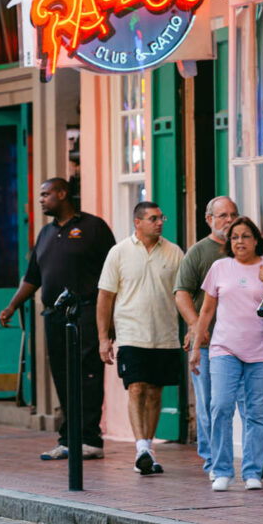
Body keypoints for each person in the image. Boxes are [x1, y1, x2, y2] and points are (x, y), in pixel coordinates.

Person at [0, 178, 115, 461]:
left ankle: (90, 439)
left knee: (87, 375)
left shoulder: (93, 227)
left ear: (62, 194)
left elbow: (113, 274)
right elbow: (33, 278)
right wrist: (12, 306)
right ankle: (69, 439)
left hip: (86, 313)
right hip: (53, 316)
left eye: (45, 194)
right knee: (62, 377)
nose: (40, 199)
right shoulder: (46, 234)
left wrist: (109, 320)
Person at [190, 217, 263, 492]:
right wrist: (195, 347)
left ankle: (253, 471)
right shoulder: (220, 267)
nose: (239, 242)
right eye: (234, 237)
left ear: (256, 239)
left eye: (245, 236)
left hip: (261, 353)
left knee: (256, 414)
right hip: (224, 349)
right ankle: (221, 469)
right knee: (220, 407)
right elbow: (207, 311)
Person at [97, 202, 184, 475]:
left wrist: (192, 327)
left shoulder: (174, 252)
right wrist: (103, 338)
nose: (159, 223)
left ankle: (148, 448)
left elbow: (183, 294)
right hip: (130, 333)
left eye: (161, 218)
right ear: (138, 222)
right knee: (136, 388)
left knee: (156, 391)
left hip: (165, 334)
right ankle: (141, 449)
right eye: (153, 218)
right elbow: (105, 297)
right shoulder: (119, 252)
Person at [173, 196, 237, 478]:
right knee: (211, 403)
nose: (229, 220)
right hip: (209, 342)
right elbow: (182, 293)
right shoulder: (199, 252)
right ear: (209, 219)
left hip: (242, 339)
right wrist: (197, 326)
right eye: (222, 215)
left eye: (233, 214)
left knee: (247, 404)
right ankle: (213, 461)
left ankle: (255, 459)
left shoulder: (244, 249)